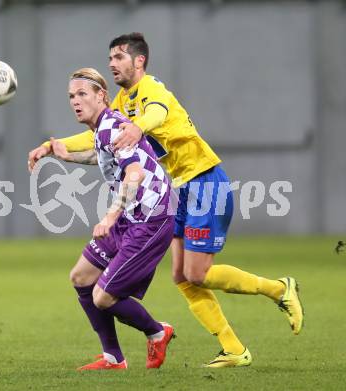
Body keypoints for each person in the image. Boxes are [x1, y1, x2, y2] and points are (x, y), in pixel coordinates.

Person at [29, 33, 304, 368]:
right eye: (110, 58)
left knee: (196, 274)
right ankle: (233, 349)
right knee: (181, 277)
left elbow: (156, 114)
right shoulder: (121, 102)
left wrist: (138, 128)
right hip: (177, 188)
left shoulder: (152, 89)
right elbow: (100, 134)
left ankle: (278, 289)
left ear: (139, 60)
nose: (112, 63)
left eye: (119, 57)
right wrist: (52, 146)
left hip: (204, 179)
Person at [29, 68, 176, 371]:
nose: (75, 101)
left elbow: (134, 173)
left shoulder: (113, 127)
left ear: (102, 96)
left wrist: (110, 216)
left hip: (152, 217)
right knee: (81, 277)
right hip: (131, 214)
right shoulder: (102, 129)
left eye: (83, 94)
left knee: (103, 297)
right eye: (71, 96)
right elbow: (102, 155)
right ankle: (113, 358)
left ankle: (158, 332)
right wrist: (65, 156)